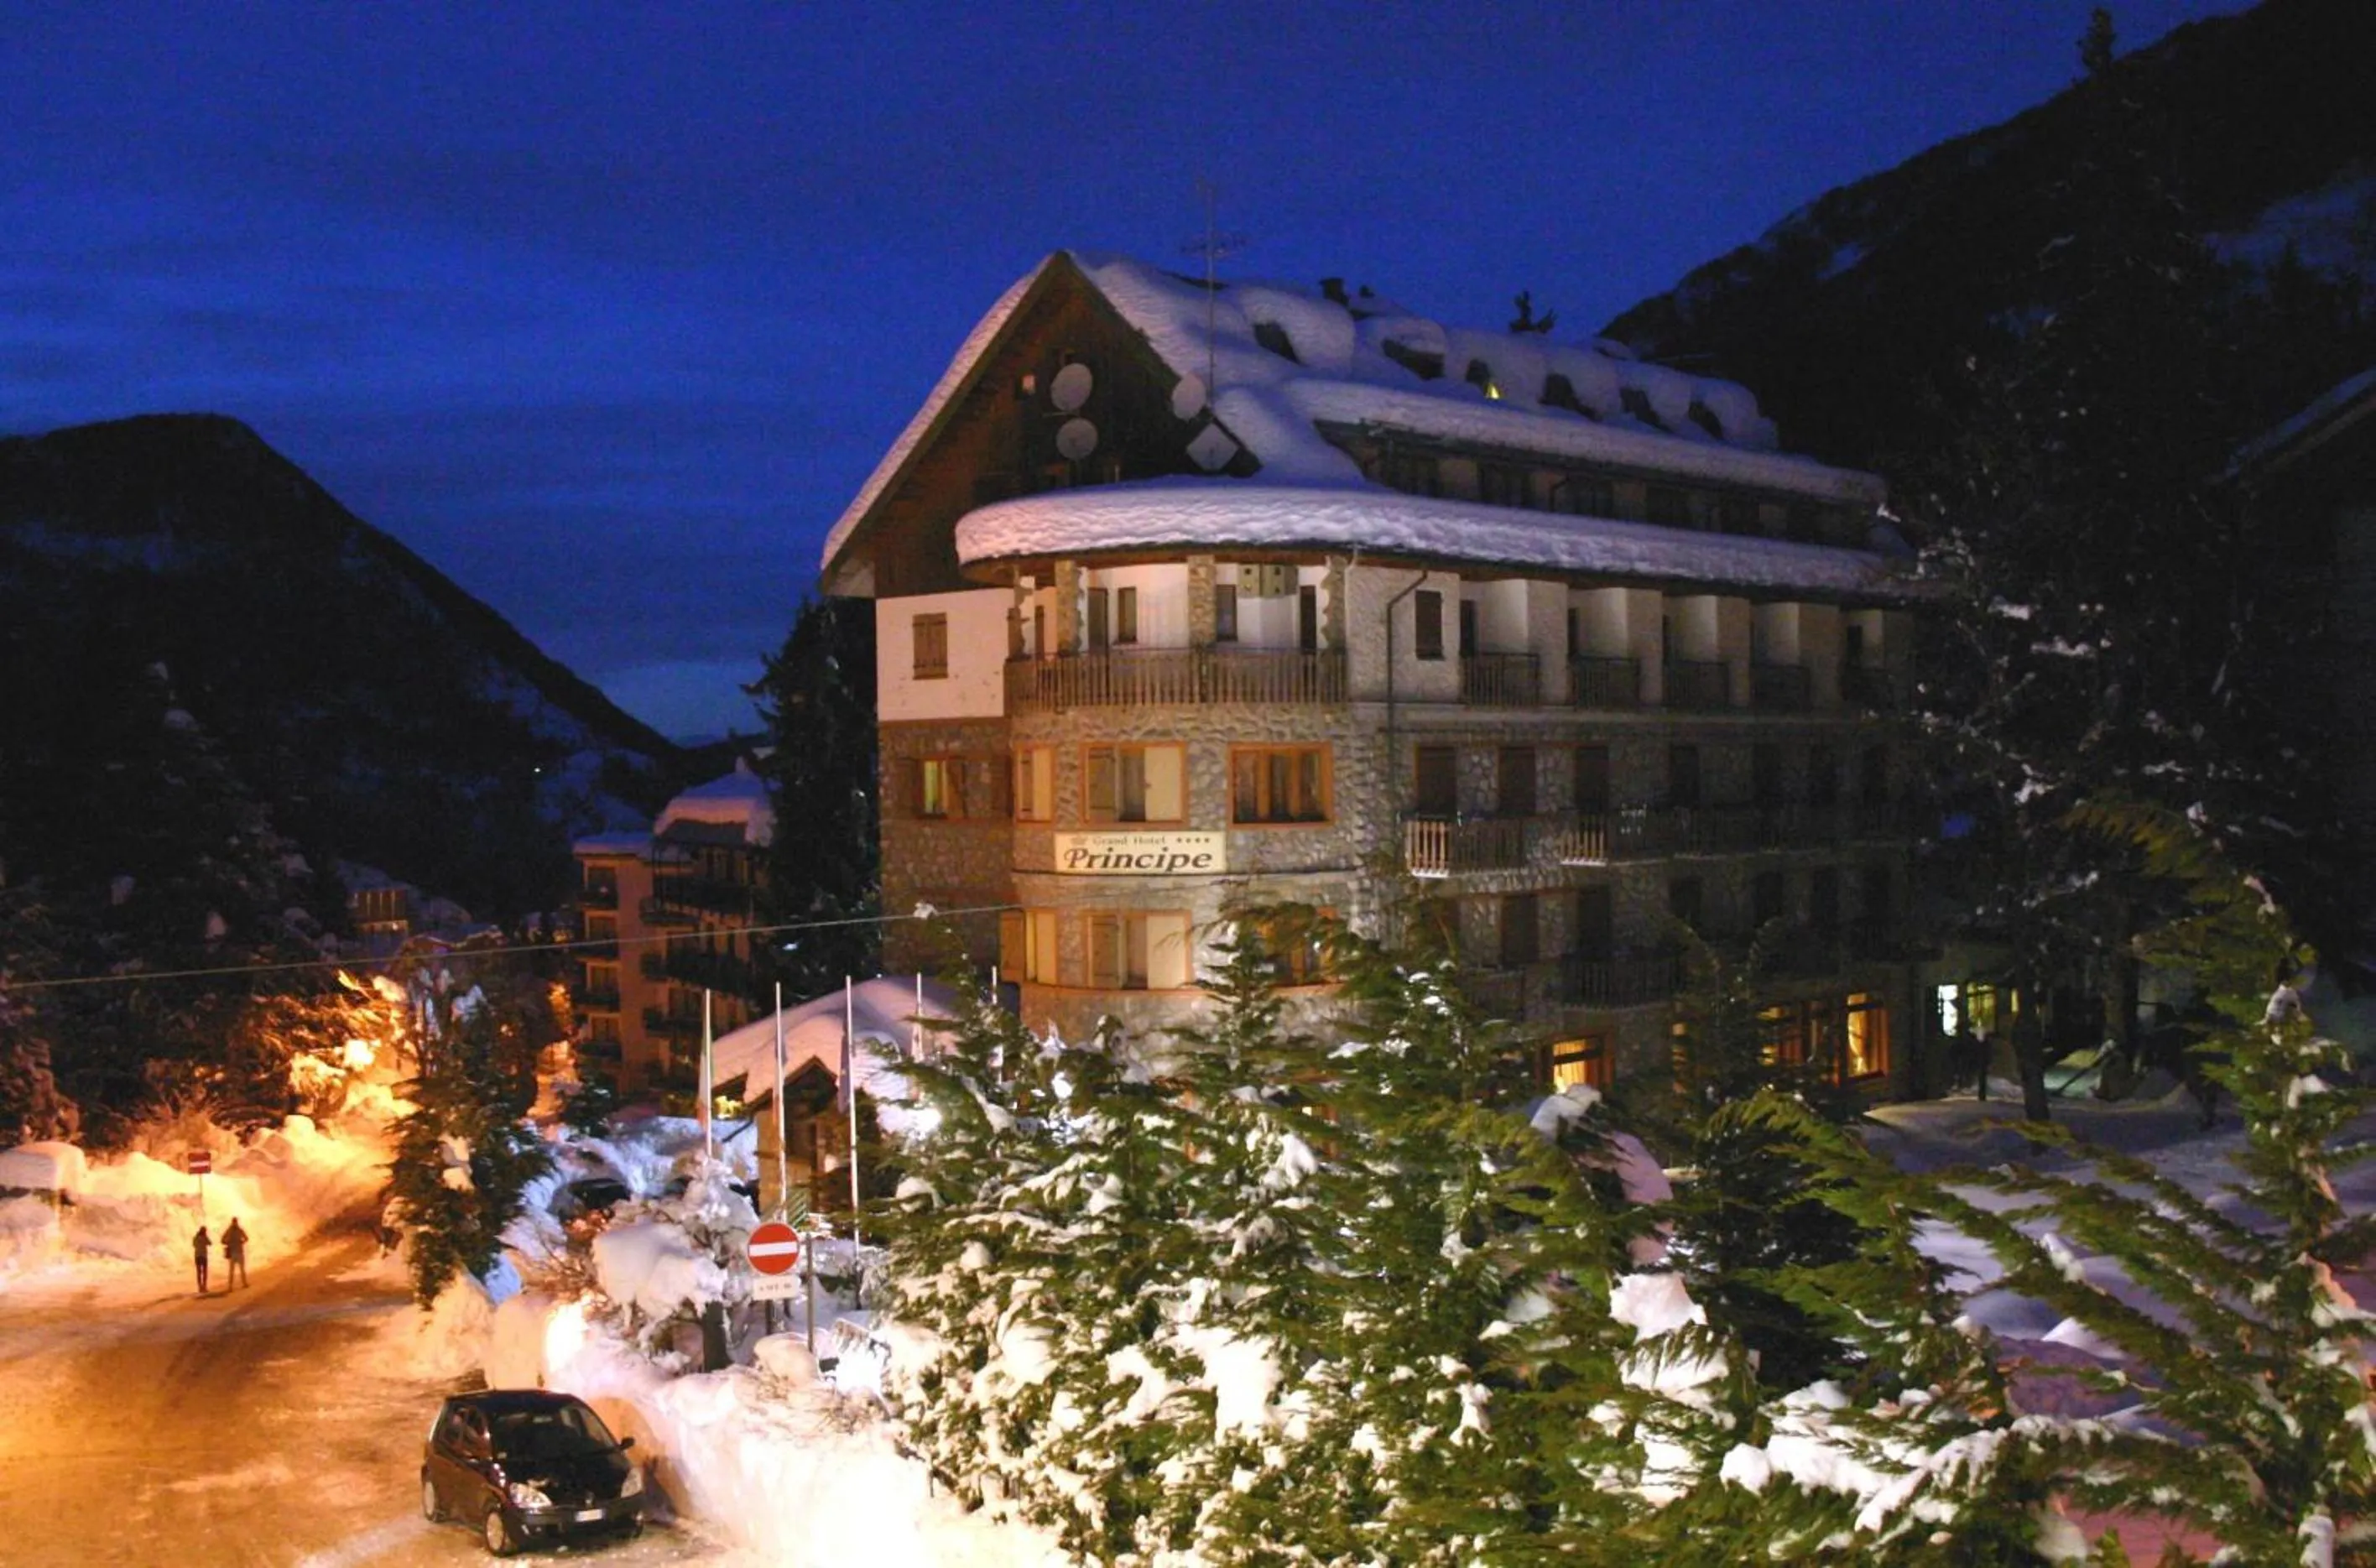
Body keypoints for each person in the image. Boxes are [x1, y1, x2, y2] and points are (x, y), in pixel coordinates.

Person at [222, 1217, 249, 1289]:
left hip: (235, 1252)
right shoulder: (238, 1230)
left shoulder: (229, 1230)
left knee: (233, 1270)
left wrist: (228, 1243)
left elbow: (222, 1240)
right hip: (237, 1252)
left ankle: (231, 1286)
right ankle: (243, 1283)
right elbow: (246, 1238)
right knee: (240, 1269)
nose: (235, 1223)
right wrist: (241, 1242)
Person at [191, 1224, 211, 1295]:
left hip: (197, 1256)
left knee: (199, 1272)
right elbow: (210, 1243)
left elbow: (194, 1245)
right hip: (203, 1256)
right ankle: (204, 1286)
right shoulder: (204, 1237)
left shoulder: (195, 1237)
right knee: (204, 1272)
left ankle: (200, 1287)